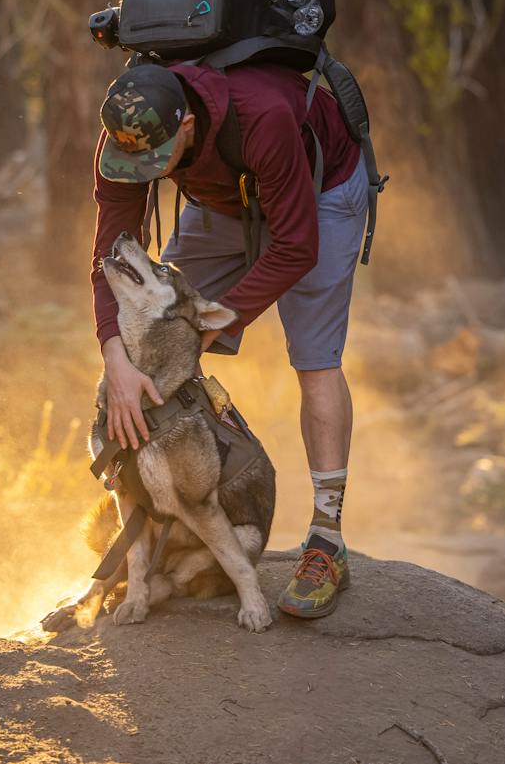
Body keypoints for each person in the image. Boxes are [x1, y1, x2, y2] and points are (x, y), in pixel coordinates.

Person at [90, 59, 363, 619]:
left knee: (315, 359)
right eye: (129, 161)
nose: (138, 171)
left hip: (319, 191)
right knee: (146, 341)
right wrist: (116, 357)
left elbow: (295, 247)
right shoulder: (127, 130)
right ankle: (149, 531)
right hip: (222, 199)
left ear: (186, 125)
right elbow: (109, 259)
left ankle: (327, 538)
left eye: (151, 161)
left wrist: (211, 320)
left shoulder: (264, 116)